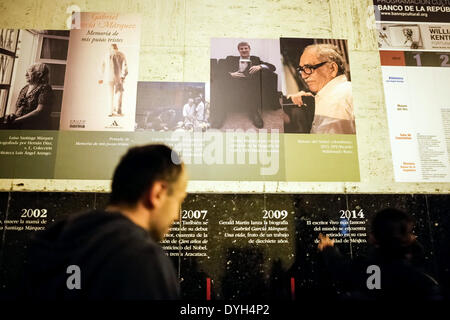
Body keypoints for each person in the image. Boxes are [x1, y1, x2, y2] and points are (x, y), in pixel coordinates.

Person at [22, 144, 187, 300]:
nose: (177, 216)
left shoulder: (53, 241)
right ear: (157, 193)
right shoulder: (143, 260)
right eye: (179, 200)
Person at [317, 208, 442, 300]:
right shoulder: (424, 282)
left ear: (373, 238)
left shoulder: (363, 270)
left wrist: (328, 248)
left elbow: (340, 267)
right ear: (410, 239)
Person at [288, 44, 355, 134]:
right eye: (301, 69)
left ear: (332, 68)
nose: (303, 76)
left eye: (308, 68)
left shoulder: (342, 96)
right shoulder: (341, 92)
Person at [213, 42, 276, 129]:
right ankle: (221, 114)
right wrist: (230, 74)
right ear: (238, 50)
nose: (244, 50)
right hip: (233, 83)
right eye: (241, 49)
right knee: (220, 81)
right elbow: (219, 70)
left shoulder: (255, 59)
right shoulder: (230, 59)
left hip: (250, 84)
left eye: (245, 48)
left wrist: (260, 66)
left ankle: (254, 112)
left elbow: (273, 67)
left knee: (254, 85)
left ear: (249, 49)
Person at [0, 63, 53, 130]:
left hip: (34, 128)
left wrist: (16, 121)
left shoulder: (45, 88)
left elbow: (39, 111)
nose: (26, 75)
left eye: (29, 72)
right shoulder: (25, 88)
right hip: (18, 125)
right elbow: (17, 107)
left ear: (39, 74)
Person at [99, 44, 128, 117]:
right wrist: (123, 76)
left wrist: (101, 77)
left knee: (110, 95)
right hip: (118, 77)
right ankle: (119, 110)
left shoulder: (107, 54)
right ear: (117, 47)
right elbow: (125, 67)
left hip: (109, 77)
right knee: (119, 94)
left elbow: (102, 66)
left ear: (110, 48)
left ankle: (110, 112)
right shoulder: (122, 54)